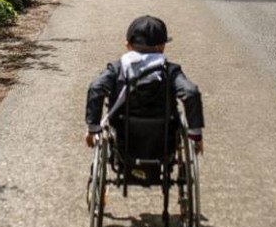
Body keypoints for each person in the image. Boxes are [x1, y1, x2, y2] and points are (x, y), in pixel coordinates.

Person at [84, 15, 204, 155]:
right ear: (162, 47)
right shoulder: (169, 71)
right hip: (163, 136)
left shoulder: (118, 69)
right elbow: (190, 92)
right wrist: (195, 135)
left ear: (127, 45)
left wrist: (93, 128)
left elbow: (96, 87)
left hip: (124, 131)